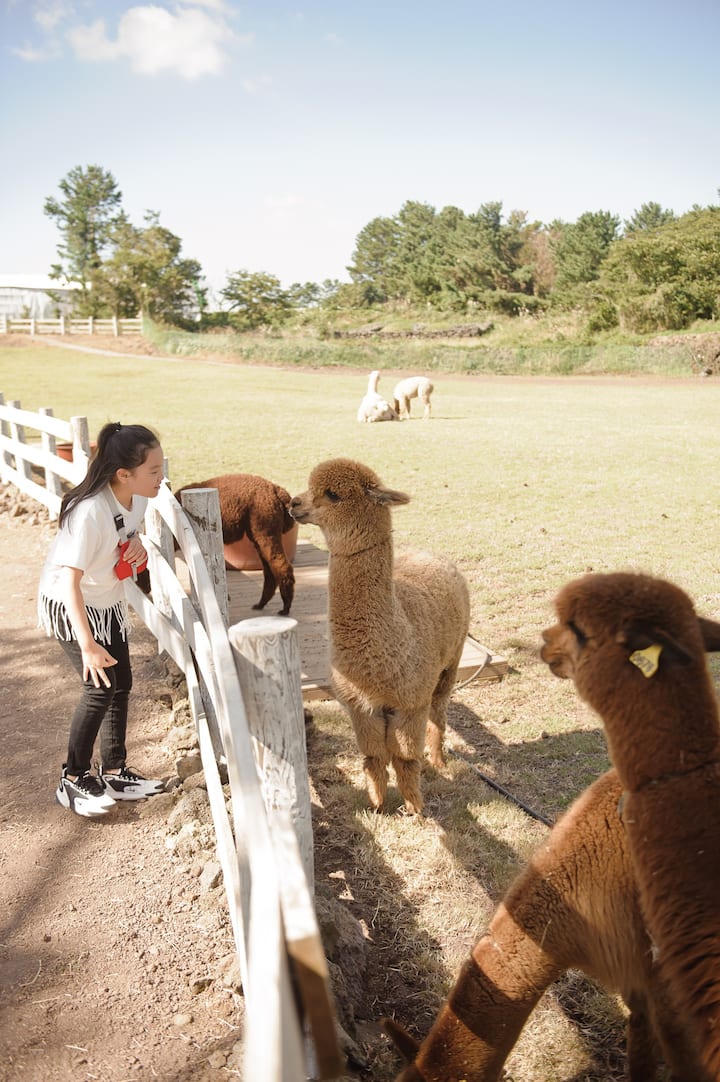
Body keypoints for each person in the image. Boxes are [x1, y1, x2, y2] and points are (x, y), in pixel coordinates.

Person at [38, 422, 166, 817]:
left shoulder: (139, 498)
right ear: (123, 474)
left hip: (105, 601)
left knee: (121, 683)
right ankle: (73, 777)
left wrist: (137, 547)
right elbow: (67, 582)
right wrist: (88, 645)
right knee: (99, 689)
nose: (162, 477)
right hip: (72, 603)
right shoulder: (90, 511)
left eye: (163, 466)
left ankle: (114, 771)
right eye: (154, 471)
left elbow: (126, 534)